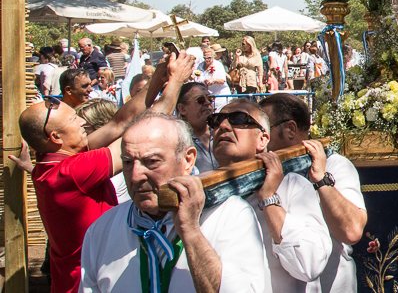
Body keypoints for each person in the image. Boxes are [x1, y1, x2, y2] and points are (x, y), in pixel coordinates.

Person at [19, 53, 193, 293]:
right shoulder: (71, 172)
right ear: (56, 137)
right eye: (73, 120)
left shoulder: (55, 159)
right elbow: (147, 128)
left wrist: (157, 79)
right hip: (84, 283)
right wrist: (177, 80)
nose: (82, 123)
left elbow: (119, 122)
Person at [79, 112, 268, 292]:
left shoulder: (230, 215)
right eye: (128, 162)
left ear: (188, 160)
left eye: (151, 161)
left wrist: (191, 233)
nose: (136, 176)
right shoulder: (101, 231)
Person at [211, 99, 331, 293]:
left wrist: (269, 198)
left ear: (263, 139)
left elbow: (309, 265)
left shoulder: (292, 186)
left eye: (238, 119)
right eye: (216, 121)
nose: (223, 126)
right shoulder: (204, 196)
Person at [261, 94, 370, 293]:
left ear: (290, 129)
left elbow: (352, 231)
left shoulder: (336, 165)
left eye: (265, 130)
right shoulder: (259, 171)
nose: (261, 139)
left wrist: (321, 179)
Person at [176, 82, 218, 174]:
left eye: (210, 99)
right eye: (200, 100)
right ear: (182, 109)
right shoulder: (177, 142)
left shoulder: (221, 133)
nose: (207, 103)